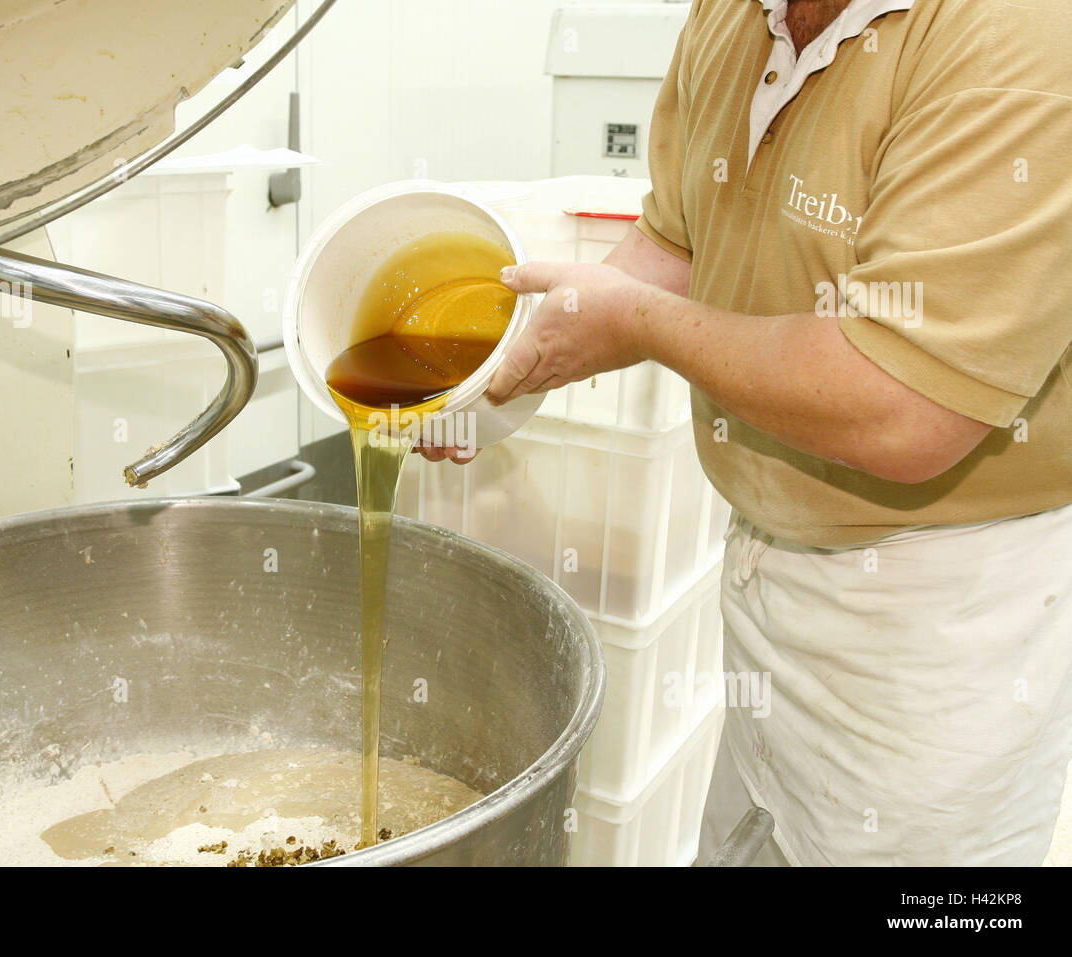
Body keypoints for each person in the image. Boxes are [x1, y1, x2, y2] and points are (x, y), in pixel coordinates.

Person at [425, 0, 1072, 865]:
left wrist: (642, 324)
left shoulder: (1019, 35)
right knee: (752, 839)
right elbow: (681, 240)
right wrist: (511, 370)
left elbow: (903, 404)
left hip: (947, 623)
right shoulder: (737, 12)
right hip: (770, 574)